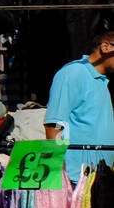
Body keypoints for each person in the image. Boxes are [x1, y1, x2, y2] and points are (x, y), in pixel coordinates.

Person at [45, 29, 114, 185]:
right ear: (106, 47)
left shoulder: (101, 81)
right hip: (76, 180)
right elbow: (53, 125)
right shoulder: (73, 72)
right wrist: (60, 175)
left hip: (99, 179)